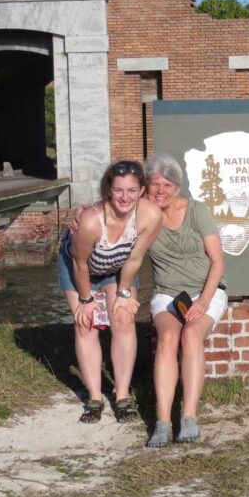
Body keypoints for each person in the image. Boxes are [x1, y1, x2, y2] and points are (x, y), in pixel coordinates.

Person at [58, 160, 162, 423]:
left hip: (119, 267)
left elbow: (135, 259)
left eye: (132, 190)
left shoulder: (150, 215)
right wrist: (86, 299)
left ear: (141, 191)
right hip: (81, 268)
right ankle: (94, 399)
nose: (125, 197)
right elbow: (80, 264)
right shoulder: (91, 222)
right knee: (86, 323)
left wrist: (124, 294)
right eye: (118, 190)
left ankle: (122, 397)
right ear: (108, 190)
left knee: (123, 319)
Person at [144, 152, 228, 447]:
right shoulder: (144, 216)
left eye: (167, 185)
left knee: (191, 335)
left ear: (177, 188)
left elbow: (217, 261)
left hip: (205, 290)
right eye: (155, 184)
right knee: (168, 337)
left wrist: (203, 301)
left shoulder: (197, 211)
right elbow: (112, 209)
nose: (161, 191)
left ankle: (189, 416)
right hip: (167, 293)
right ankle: (163, 422)